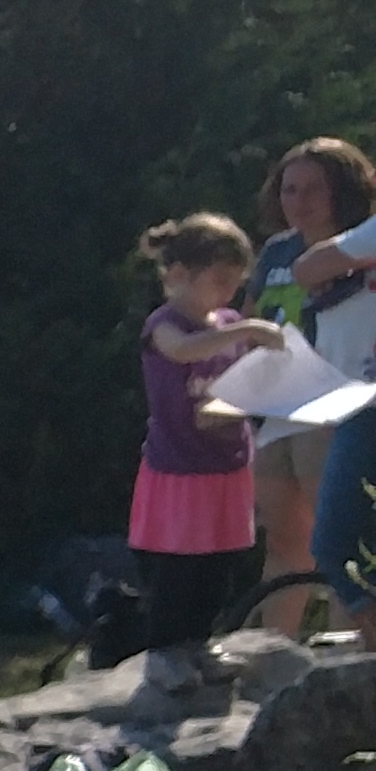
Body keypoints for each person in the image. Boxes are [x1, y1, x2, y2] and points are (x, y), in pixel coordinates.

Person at [242, 137, 376, 619]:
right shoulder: (277, 251)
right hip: (279, 400)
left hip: (338, 396)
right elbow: (253, 317)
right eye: (289, 189)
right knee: (282, 535)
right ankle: (272, 650)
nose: (298, 201)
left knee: (339, 533)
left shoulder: (362, 240)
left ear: (342, 189)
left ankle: (348, 647)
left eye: (311, 189)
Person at [133, 215, 272, 661]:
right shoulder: (165, 324)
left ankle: (200, 643)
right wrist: (247, 330)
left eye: (235, 282)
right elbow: (182, 351)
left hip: (226, 465)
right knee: (180, 567)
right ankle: (165, 652)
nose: (228, 293)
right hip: (180, 468)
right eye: (219, 280)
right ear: (178, 276)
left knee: (219, 564)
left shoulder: (227, 320)